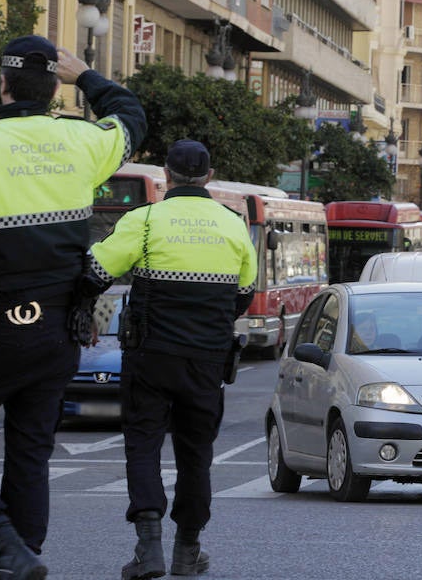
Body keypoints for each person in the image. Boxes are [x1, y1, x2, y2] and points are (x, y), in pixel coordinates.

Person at [0, 35, 146, 579]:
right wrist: (87, 74)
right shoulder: (82, 143)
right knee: (30, 451)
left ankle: (1, 543)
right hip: (58, 334)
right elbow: (132, 117)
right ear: (53, 88)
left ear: (2, 84)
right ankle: (24, 558)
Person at [79, 139, 257, 580]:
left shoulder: (145, 219)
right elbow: (244, 295)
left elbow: (95, 273)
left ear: (166, 176)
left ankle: (148, 548)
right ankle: (187, 550)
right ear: (209, 177)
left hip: (150, 357)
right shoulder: (233, 225)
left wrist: (82, 313)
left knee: (142, 446)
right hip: (206, 361)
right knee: (196, 456)